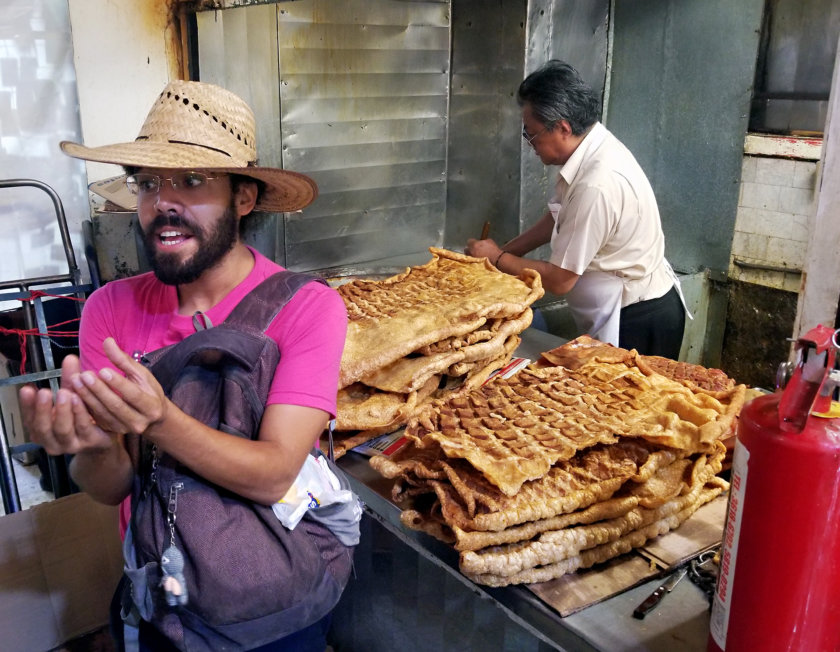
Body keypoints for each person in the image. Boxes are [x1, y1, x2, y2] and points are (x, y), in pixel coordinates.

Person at [18, 80, 348, 651]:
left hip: (269, 606)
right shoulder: (110, 308)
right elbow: (112, 485)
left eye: (192, 182)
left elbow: (274, 474)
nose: (161, 202)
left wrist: (160, 419)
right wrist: (92, 448)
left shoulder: (307, 308)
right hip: (159, 590)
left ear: (244, 198)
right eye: (147, 183)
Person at [466, 60, 687, 359]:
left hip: (637, 319)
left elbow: (560, 280)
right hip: (623, 309)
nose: (531, 145)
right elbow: (556, 219)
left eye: (531, 135)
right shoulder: (588, 149)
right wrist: (499, 254)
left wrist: (498, 258)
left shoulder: (596, 184)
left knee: (632, 402)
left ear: (563, 128)